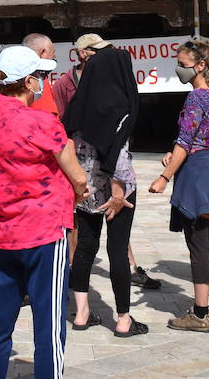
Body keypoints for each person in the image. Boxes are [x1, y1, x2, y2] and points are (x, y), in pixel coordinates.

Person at [0, 44, 86, 378]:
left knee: (1, 318)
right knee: (49, 322)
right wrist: (77, 195)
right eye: (40, 76)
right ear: (27, 82)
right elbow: (78, 177)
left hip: (2, 232)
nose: (43, 82)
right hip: (43, 233)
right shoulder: (42, 122)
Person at [149, 41, 209, 332]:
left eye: (183, 64)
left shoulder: (195, 99)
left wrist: (164, 177)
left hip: (196, 174)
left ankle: (199, 314)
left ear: (200, 66)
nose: (178, 68)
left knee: (198, 243)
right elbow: (201, 140)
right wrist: (173, 154)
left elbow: (185, 142)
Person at [62, 44, 145, 337]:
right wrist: (119, 192)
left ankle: (82, 313)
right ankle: (123, 319)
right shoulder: (119, 104)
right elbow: (118, 154)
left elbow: (67, 145)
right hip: (114, 192)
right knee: (117, 250)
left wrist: (75, 185)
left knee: (84, 248)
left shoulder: (79, 102)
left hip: (84, 190)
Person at [53, 33, 110, 116]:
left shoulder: (109, 77)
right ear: (82, 54)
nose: (104, 54)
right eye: (98, 50)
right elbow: (59, 120)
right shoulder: (63, 84)